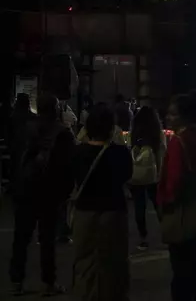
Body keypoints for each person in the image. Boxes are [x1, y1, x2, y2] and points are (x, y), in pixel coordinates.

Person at [9, 93, 75, 296]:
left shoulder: (27, 128)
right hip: (49, 192)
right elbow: (68, 167)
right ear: (56, 109)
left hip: (26, 189)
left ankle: (17, 282)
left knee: (21, 238)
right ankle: (49, 282)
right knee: (47, 240)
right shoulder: (63, 132)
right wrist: (66, 193)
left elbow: (18, 158)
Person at [158, 92, 196, 301]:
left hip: (183, 213)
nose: (168, 117)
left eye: (173, 114)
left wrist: (165, 201)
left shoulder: (179, 143)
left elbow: (174, 181)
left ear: (185, 117)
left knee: (181, 272)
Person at [70, 103, 132, 301]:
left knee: (84, 262)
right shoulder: (121, 154)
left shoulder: (78, 153)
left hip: (84, 213)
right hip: (114, 212)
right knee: (114, 263)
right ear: (111, 128)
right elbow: (127, 176)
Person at [129, 106, 166, 250]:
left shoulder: (135, 133)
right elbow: (162, 153)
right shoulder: (157, 133)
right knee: (159, 205)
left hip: (137, 175)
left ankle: (143, 238)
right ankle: (166, 233)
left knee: (139, 207)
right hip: (153, 175)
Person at [7, 93, 36, 186]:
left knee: (15, 169)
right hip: (30, 146)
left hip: (16, 146)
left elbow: (8, 134)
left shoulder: (13, 117)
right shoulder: (33, 117)